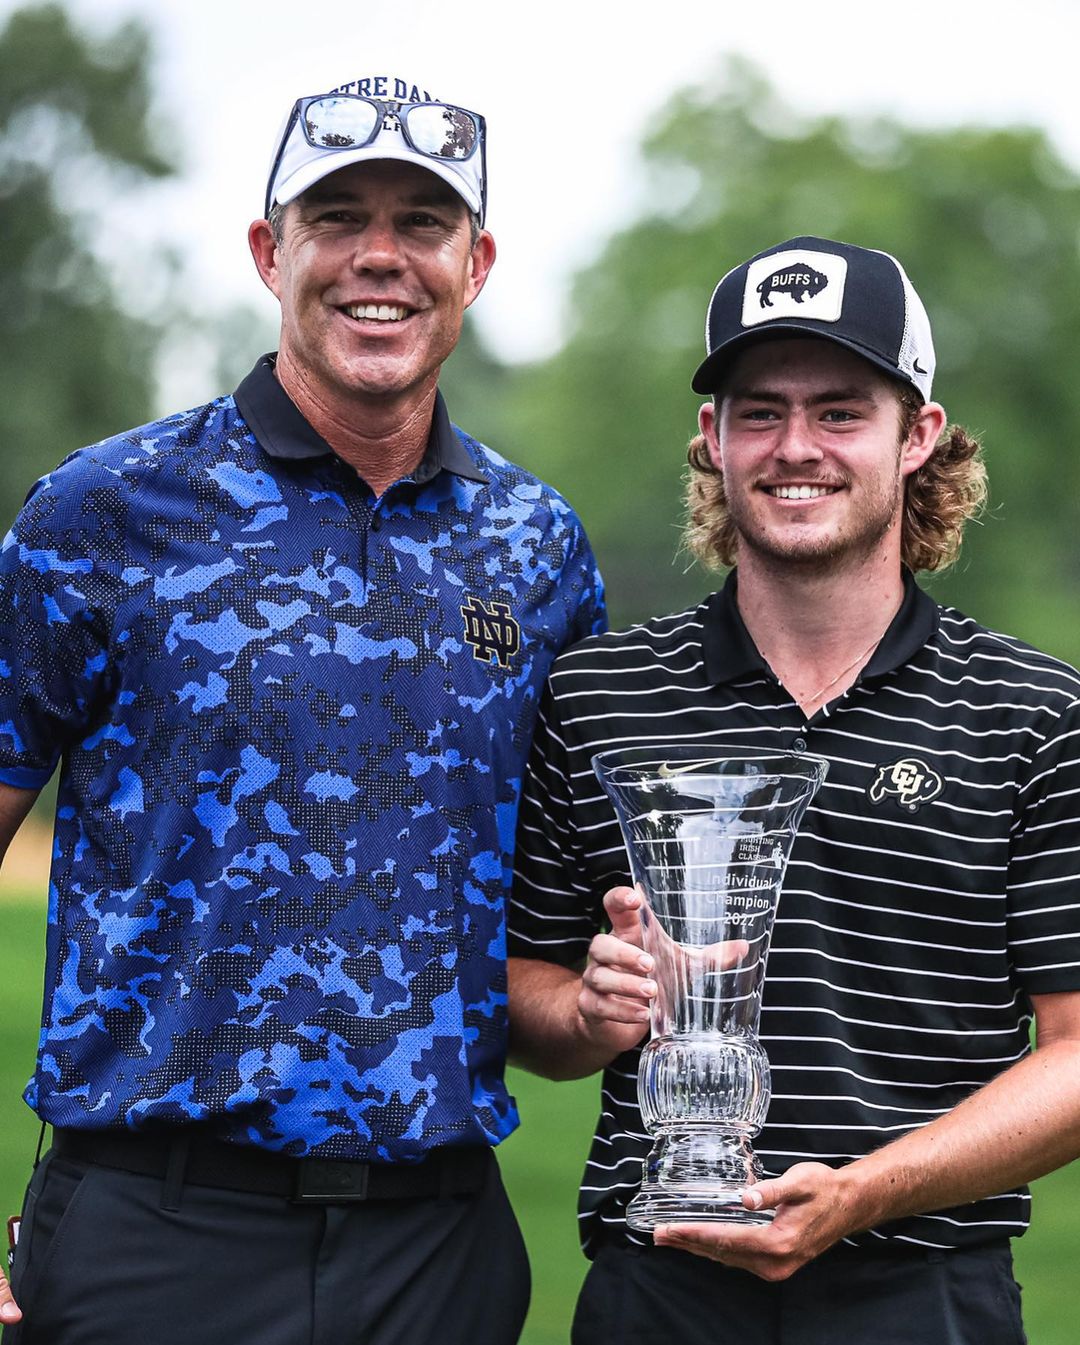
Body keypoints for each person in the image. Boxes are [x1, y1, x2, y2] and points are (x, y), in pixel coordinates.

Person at [0, 72, 605, 1345]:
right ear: (270, 253)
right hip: (156, 1238)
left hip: (439, 1248)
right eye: (337, 218)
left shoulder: (536, 546)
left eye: (423, 223)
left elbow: (550, 949)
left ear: (478, 264)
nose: (380, 257)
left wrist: (611, 1003)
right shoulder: (102, 513)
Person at [507, 236, 1080, 1344]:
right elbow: (527, 992)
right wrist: (585, 1010)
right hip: (658, 1286)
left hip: (925, 1291)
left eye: (840, 411)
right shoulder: (597, 695)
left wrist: (862, 1191)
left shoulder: (1034, 712)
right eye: (760, 412)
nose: (796, 447)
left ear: (918, 434)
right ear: (712, 438)